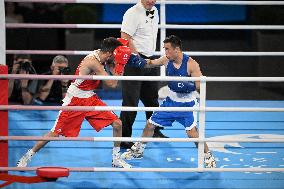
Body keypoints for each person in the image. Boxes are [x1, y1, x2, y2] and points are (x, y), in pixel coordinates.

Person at [16, 37, 133, 168]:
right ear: (110, 53)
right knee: (54, 133)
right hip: (75, 101)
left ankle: (116, 159)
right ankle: (27, 156)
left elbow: (111, 69)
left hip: (90, 98)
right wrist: (120, 65)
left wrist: (117, 61)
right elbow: (112, 84)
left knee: (117, 124)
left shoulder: (103, 55)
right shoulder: (93, 62)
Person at [121, 35, 217, 168]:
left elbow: (200, 84)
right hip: (170, 101)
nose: (165, 52)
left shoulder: (191, 64)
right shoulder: (166, 60)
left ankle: (208, 156)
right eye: (164, 49)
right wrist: (138, 61)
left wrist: (188, 85)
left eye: (167, 49)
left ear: (177, 49)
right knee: (150, 125)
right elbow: (151, 63)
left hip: (187, 104)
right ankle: (138, 150)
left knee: (192, 133)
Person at [120, 0, 167, 149]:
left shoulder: (155, 11)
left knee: (152, 98)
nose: (151, 1)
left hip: (150, 59)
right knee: (131, 102)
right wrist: (137, 57)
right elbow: (125, 38)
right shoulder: (132, 13)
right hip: (134, 61)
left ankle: (154, 131)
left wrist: (149, 60)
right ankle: (124, 138)